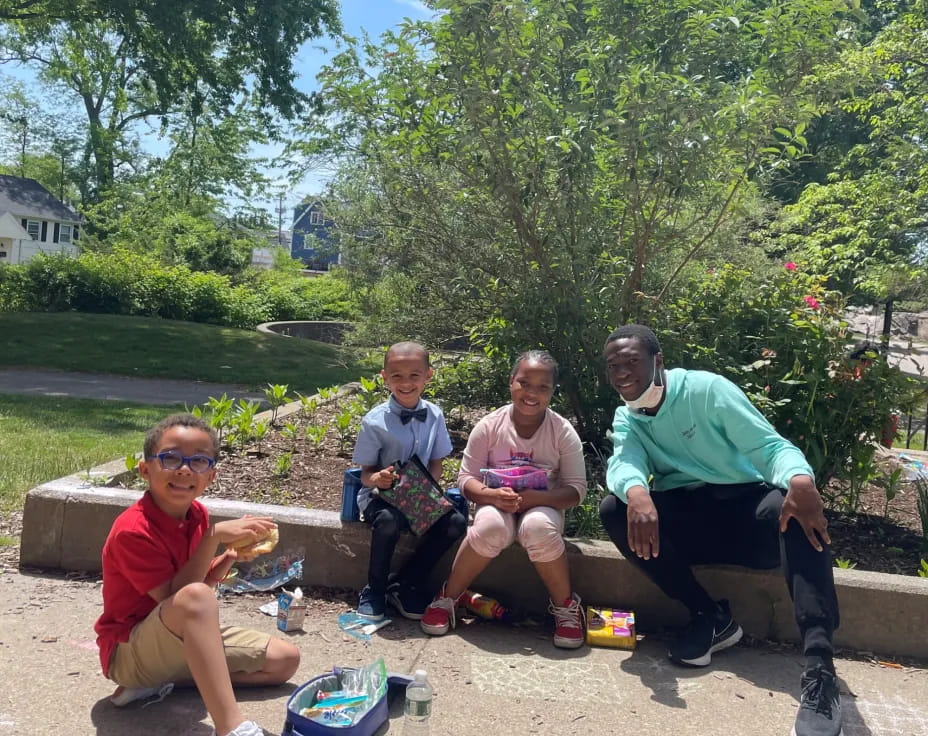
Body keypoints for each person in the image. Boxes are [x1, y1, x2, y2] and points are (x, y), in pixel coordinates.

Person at [599, 324, 842, 736]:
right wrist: (637, 491)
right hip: (694, 520)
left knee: (796, 512)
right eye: (613, 366)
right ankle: (710, 617)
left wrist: (800, 479)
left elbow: (769, 447)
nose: (622, 372)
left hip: (745, 510)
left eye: (632, 362)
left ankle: (820, 671)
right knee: (614, 508)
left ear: (659, 362)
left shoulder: (707, 390)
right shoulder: (629, 417)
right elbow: (624, 462)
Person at [94, 413, 300, 736]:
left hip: (174, 638)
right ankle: (231, 727)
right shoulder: (132, 530)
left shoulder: (198, 516)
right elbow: (176, 598)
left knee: (285, 659)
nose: (185, 468)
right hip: (129, 652)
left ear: (211, 476)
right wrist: (214, 538)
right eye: (171, 458)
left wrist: (221, 562)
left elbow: (191, 592)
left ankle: (172, 679)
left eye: (199, 461)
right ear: (145, 469)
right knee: (195, 598)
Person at [420, 350, 588, 649]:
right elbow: (465, 479)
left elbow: (576, 489)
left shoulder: (561, 431)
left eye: (542, 387)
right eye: (524, 383)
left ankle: (565, 608)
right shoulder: (490, 425)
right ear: (511, 382)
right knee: (489, 529)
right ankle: (448, 598)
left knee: (537, 529)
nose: (531, 393)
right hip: (495, 503)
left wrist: (539, 498)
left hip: (542, 504)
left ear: (552, 391)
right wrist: (490, 495)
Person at [352, 341, 467, 621]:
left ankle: (405, 583)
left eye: (414, 375)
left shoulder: (435, 414)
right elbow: (364, 474)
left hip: (419, 496)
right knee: (389, 522)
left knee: (455, 523)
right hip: (381, 497)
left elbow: (436, 462)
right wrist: (378, 479)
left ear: (428, 375)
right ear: (384, 378)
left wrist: (424, 489)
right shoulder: (374, 421)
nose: (406, 383)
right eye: (397, 376)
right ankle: (375, 589)